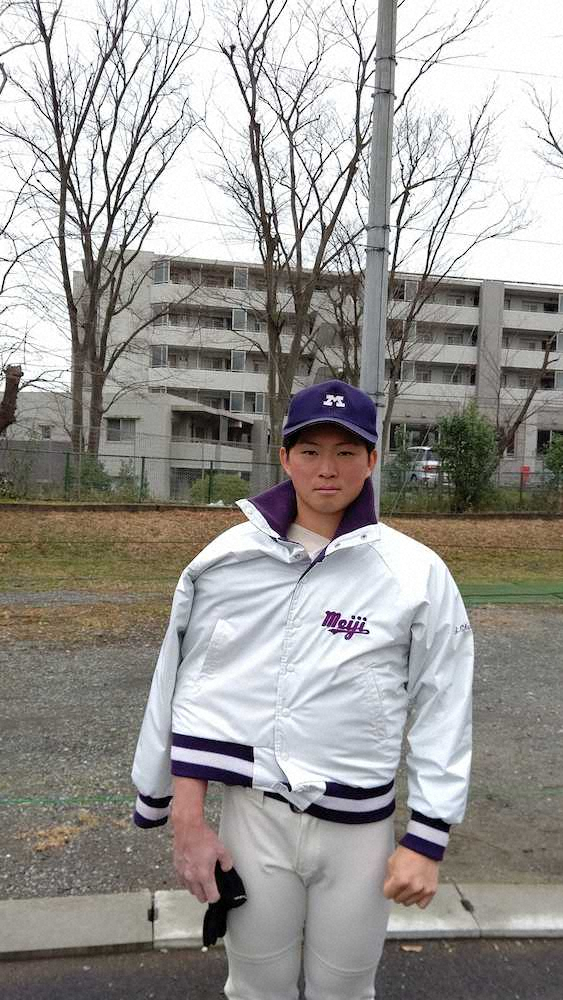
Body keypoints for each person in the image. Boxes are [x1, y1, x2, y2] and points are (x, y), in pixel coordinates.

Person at [132, 379, 473, 1000]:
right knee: (255, 987)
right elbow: (190, 688)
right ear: (285, 457)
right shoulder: (227, 559)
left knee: (344, 990)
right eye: (310, 451)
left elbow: (443, 704)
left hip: (358, 830)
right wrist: (184, 816)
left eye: (347, 452)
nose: (327, 468)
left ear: (372, 460)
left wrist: (427, 837)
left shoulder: (415, 572)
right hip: (256, 817)